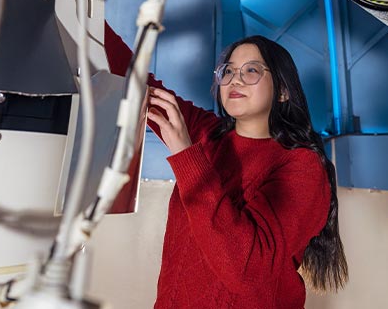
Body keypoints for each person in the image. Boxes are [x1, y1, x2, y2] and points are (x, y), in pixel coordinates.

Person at [104, 24, 348, 309]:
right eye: (228, 71)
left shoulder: (301, 166)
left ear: (283, 91)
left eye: (252, 70)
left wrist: (186, 155)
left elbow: (245, 272)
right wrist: (84, 4)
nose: (236, 80)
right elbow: (133, 81)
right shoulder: (207, 133)